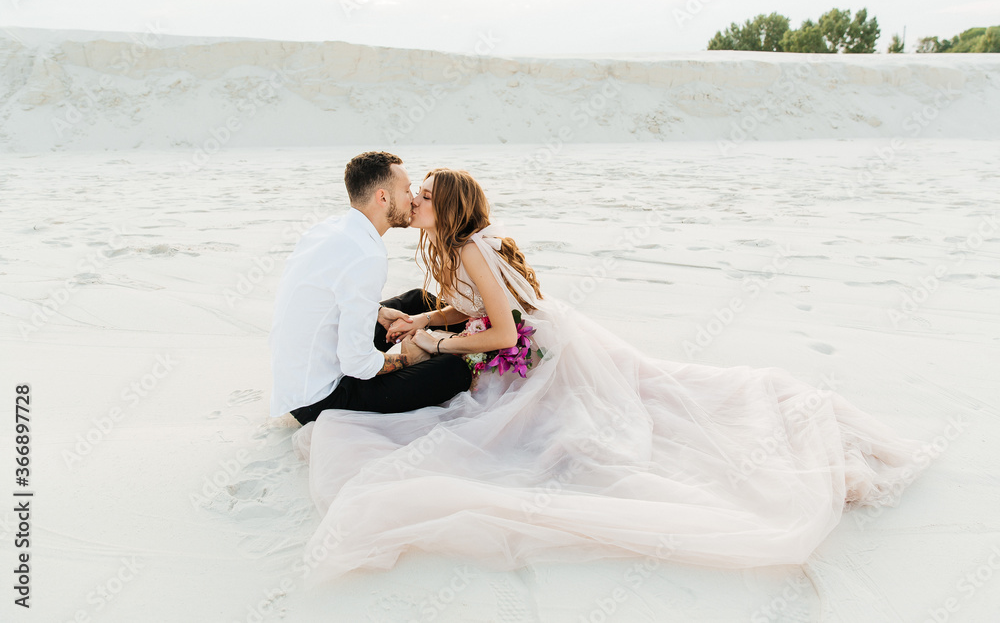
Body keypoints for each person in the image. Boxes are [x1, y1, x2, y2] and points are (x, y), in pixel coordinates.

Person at [291, 168, 927, 582]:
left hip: (540, 350)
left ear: (448, 207)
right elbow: (470, 301)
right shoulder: (461, 245)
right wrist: (425, 318)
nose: (415, 201)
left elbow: (505, 332)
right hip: (529, 333)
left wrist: (436, 339)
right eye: (414, 192)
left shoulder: (465, 245)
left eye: (425, 195)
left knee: (577, 436)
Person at [268, 152, 471, 426]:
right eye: (407, 189)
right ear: (383, 197)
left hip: (294, 381)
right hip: (319, 399)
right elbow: (357, 365)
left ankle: (474, 334)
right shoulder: (366, 255)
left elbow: (325, 292)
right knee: (453, 371)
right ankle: (472, 345)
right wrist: (407, 359)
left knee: (415, 300)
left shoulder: (330, 229)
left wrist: (376, 312)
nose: (412, 199)